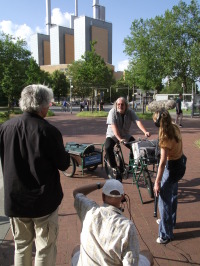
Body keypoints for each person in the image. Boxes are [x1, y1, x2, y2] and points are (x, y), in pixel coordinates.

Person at [0, 84, 70, 265]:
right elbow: (63, 164)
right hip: (43, 202)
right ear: (42, 106)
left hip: (15, 200)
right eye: (48, 103)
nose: (49, 107)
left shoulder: (5, 128)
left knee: (21, 246)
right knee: (45, 247)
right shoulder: (48, 131)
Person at [71, 179, 154, 265]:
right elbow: (130, 263)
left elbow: (76, 192)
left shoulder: (89, 210)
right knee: (147, 254)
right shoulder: (127, 227)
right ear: (122, 197)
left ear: (103, 196)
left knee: (77, 249)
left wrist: (100, 184)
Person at [153, 109, 185, 244]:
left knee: (164, 200)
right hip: (180, 164)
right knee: (172, 195)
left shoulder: (165, 136)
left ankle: (165, 235)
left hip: (171, 168)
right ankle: (170, 222)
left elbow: (162, 163)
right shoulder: (175, 127)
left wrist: (157, 181)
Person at [105, 97, 150, 181]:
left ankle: (131, 167)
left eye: (122, 104)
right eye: (118, 104)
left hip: (125, 134)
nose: (120, 106)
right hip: (113, 135)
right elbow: (114, 127)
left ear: (126, 106)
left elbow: (137, 121)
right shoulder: (112, 112)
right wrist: (119, 139)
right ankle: (114, 167)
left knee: (135, 147)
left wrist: (145, 131)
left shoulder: (130, 112)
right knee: (107, 147)